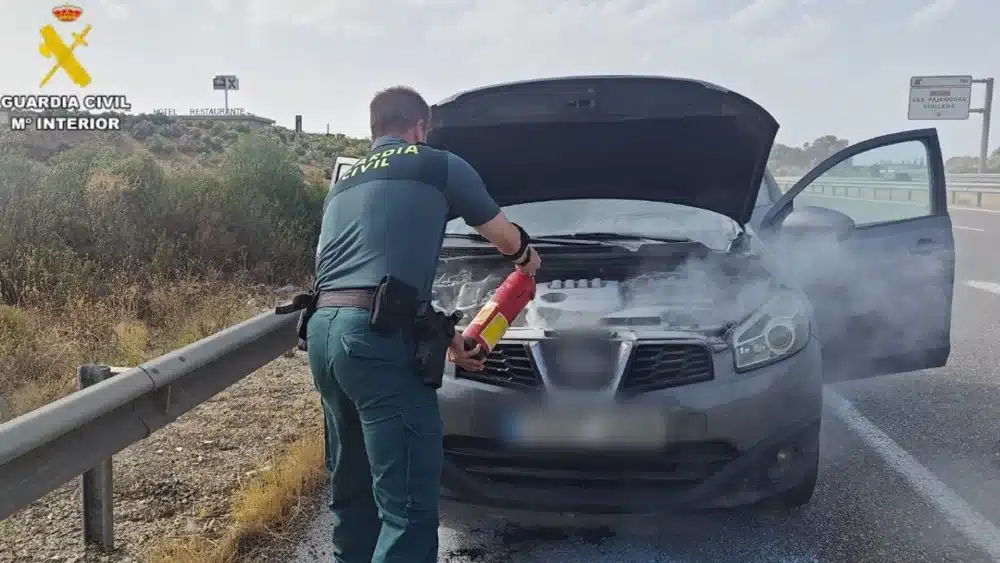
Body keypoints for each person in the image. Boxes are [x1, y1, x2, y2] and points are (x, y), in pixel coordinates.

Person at [306, 86, 541, 563]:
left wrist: (451, 340)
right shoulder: (436, 163)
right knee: (407, 509)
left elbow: (379, 279)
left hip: (324, 336)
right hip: (374, 343)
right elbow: (500, 235)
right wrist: (527, 257)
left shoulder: (344, 183)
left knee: (352, 493)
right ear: (419, 128)